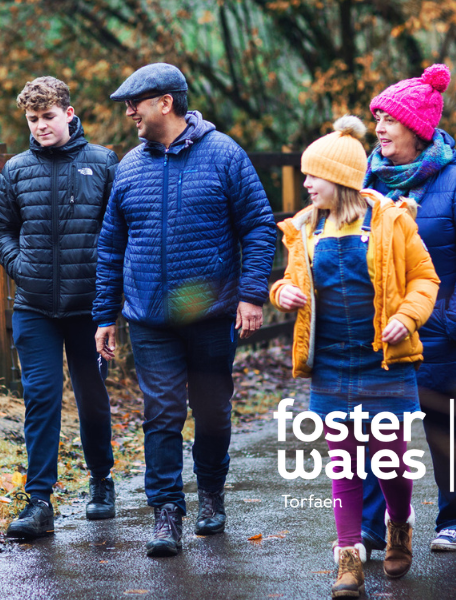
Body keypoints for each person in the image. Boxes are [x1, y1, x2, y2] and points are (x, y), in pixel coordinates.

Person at [92, 63, 277, 558]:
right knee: (162, 412)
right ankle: (166, 513)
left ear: (166, 103)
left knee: (212, 412)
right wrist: (105, 315)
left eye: (137, 102)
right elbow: (110, 247)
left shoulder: (224, 155)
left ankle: (211, 494)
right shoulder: (129, 166)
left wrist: (251, 294)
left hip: (212, 315)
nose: (129, 111)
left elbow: (260, 226)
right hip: (150, 318)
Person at [271, 115, 440, 597]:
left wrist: (406, 318)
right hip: (329, 364)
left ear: (340, 179)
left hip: (383, 363)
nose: (304, 184)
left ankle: (399, 526)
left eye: (312, 175)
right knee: (343, 465)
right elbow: (289, 280)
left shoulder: (391, 220)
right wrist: (282, 292)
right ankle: (348, 561)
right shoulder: (304, 230)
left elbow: (425, 280)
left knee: (390, 464)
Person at [357, 64, 456, 553]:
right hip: (380, 337)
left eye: (389, 120)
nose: (379, 128)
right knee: (377, 431)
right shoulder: (367, 186)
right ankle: (376, 524)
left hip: (440, 335)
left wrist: (453, 319)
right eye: (376, 119)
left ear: (417, 129)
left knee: (444, 429)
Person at [0, 76, 118, 540]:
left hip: (89, 308)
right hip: (35, 306)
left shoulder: (103, 163)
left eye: (48, 117)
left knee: (91, 396)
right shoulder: (18, 169)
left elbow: (119, 230)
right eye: (32, 119)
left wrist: (111, 303)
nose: (41, 126)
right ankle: (39, 501)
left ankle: (101, 482)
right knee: (41, 399)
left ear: (68, 113)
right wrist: (20, 266)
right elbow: (0, 224)